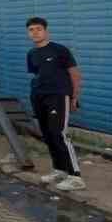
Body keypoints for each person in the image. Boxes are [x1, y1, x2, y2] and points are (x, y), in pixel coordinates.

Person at [26, 17, 85, 191]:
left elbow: (75, 74)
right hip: (39, 97)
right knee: (48, 134)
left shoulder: (60, 50)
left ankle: (76, 176)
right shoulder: (31, 54)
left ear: (46, 31)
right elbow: (38, 74)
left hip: (58, 96)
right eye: (31, 30)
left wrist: (74, 97)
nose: (35, 32)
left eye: (38, 29)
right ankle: (60, 170)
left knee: (59, 133)